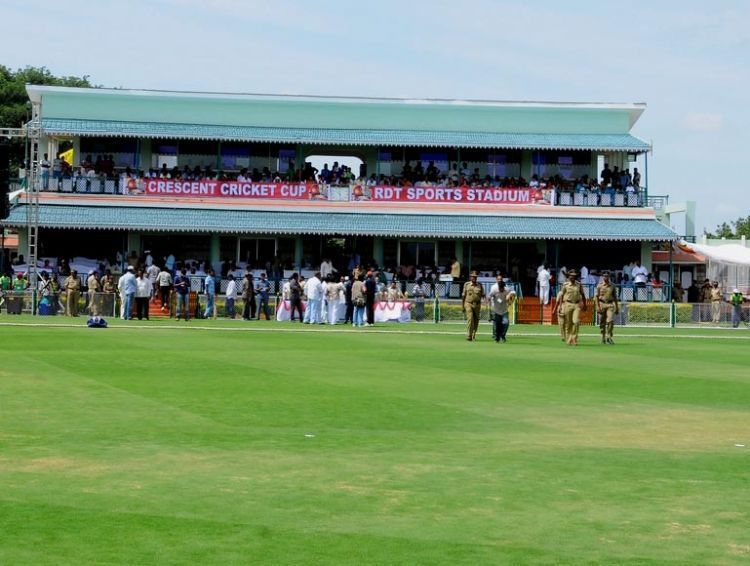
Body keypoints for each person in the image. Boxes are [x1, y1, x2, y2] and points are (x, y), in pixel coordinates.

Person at [555, 269, 586, 346]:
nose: (572, 277)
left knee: (576, 322)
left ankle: (574, 339)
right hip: (567, 304)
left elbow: (583, 295)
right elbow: (561, 295)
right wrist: (561, 306)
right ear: (569, 277)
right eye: (571, 276)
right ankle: (569, 338)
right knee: (568, 323)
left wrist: (585, 305)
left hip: (576, 305)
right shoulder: (565, 285)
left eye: (574, 276)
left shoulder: (579, 285)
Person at [488, 276, 516, 343]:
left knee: (506, 323)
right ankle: (497, 338)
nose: (501, 289)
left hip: (504, 310)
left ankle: (502, 335)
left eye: (502, 288)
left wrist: (510, 298)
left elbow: (513, 293)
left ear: (504, 287)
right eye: (500, 288)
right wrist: (490, 303)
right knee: (497, 325)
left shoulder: (507, 290)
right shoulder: (494, 290)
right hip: (496, 310)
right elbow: (489, 296)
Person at [594, 271, 619, 344]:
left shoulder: (612, 285)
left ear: (609, 277)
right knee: (602, 322)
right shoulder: (599, 285)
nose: (605, 277)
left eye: (607, 276)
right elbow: (596, 297)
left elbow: (615, 297)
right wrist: (597, 306)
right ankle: (603, 336)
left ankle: (609, 336)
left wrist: (617, 307)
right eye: (604, 276)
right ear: (602, 277)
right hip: (601, 304)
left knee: (610, 320)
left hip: (610, 305)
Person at [461, 271, 485, 341]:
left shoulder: (480, 285)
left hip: (477, 304)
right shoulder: (467, 284)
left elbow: (483, 295)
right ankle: (469, 335)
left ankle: (473, 334)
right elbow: (463, 296)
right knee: (470, 318)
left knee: (476, 320)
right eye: (473, 277)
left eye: (475, 277)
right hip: (468, 303)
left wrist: (485, 300)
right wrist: (462, 306)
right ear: (470, 277)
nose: (474, 278)